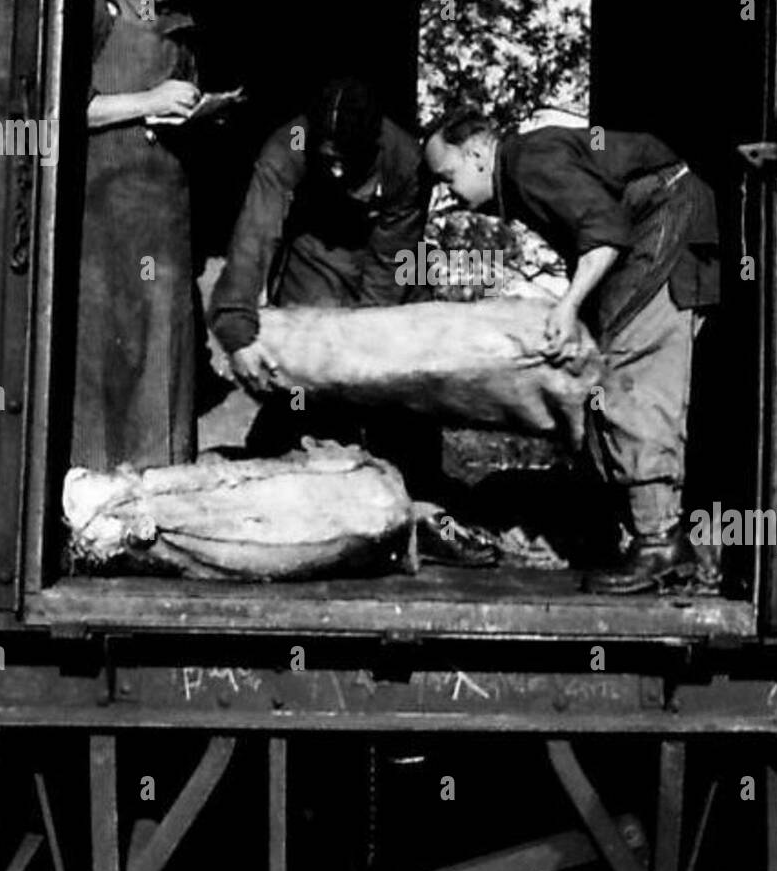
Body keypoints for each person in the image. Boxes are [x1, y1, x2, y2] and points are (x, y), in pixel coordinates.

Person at [423, 109, 721, 594]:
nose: (448, 193)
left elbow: (603, 235)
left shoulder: (528, 163)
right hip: (666, 225)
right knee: (610, 370)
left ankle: (659, 542)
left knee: (629, 373)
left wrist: (567, 309)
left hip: (666, 223)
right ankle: (642, 532)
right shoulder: (523, 172)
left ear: (476, 154)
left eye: (447, 175)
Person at [208, 78, 437, 487]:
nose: (334, 169)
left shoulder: (405, 159)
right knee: (306, 369)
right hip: (315, 245)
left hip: (387, 257)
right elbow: (255, 235)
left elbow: (391, 263)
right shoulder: (287, 146)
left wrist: (365, 341)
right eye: (326, 157)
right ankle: (278, 467)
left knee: (390, 368)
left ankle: (416, 488)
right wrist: (236, 327)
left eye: (345, 160)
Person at [70, 0, 206, 471]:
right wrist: (149, 103)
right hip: (103, 212)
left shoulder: (172, 20)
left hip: (163, 213)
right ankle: (95, 495)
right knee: (102, 347)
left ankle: (162, 497)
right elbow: (61, 110)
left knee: (164, 351)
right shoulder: (91, 6)